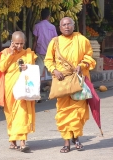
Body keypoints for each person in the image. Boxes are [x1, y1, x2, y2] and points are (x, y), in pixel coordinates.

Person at [44, 17, 96, 153]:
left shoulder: (82, 40)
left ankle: (76, 137)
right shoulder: (55, 42)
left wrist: (81, 65)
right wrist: (54, 70)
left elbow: (89, 57)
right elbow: (48, 60)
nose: (66, 27)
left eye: (69, 24)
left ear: (73, 26)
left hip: (78, 80)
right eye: (63, 25)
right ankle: (66, 141)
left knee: (78, 111)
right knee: (63, 112)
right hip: (62, 82)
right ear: (60, 28)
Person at [0, 31, 38, 152]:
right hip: (10, 88)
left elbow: (34, 69)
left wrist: (28, 67)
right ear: (12, 42)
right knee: (10, 114)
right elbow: (2, 68)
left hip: (23, 90)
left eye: (21, 43)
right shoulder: (5, 52)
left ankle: (22, 142)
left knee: (22, 113)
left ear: (24, 42)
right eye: (16, 43)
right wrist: (10, 53)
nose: (19, 46)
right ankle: (12, 140)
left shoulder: (28, 54)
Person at [33, 8, 57, 81]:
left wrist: (32, 50)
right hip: (50, 53)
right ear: (48, 16)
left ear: (41, 16)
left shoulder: (37, 26)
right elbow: (55, 41)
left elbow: (35, 40)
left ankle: (37, 88)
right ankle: (53, 88)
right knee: (52, 72)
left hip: (40, 52)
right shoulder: (52, 27)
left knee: (38, 72)